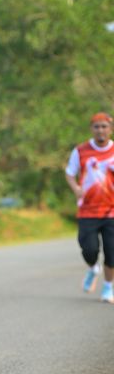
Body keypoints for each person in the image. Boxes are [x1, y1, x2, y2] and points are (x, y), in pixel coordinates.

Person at [65, 111, 114, 303]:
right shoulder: (81, 151)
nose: (100, 130)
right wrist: (76, 188)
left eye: (104, 126)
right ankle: (93, 267)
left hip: (111, 211)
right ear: (91, 129)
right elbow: (70, 173)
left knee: (112, 252)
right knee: (89, 250)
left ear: (110, 129)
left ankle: (108, 288)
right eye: (97, 127)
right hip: (88, 210)